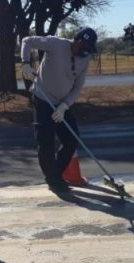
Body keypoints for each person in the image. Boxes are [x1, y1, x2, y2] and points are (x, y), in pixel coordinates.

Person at [20, 28, 98, 193]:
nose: (83, 53)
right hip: (42, 99)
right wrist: (25, 63)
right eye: (82, 48)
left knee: (71, 139)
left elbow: (77, 87)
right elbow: (27, 41)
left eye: (88, 50)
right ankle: (53, 180)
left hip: (61, 104)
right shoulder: (56, 44)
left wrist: (64, 106)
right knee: (45, 141)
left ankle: (55, 174)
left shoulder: (85, 60)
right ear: (76, 41)